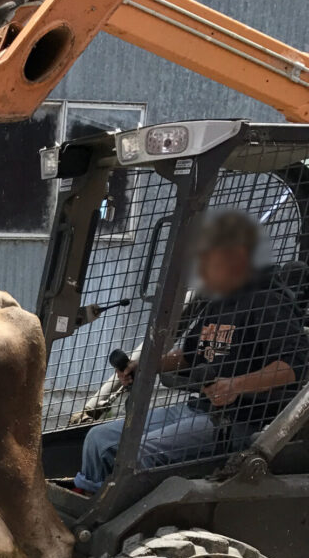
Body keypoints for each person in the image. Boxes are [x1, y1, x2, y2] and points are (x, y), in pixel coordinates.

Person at [74, 211, 309, 493]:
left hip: (239, 421)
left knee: (134, 455)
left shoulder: (268, 301)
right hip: (200, 407)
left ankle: (114, 521)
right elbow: (188, 354)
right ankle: (87, 503)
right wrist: (147, 365)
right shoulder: (219, 299)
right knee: (97, 439)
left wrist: (234, 385)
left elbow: (295, 367)